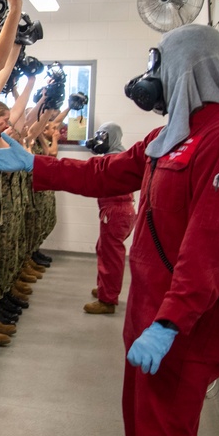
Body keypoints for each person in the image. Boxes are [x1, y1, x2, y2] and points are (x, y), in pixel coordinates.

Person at [0, 24, 219, 436]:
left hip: (181, 330)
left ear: (188, 70)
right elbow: (106, 172)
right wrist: (39, 169)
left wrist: (170, 323)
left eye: (161, 68)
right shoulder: (170, 135)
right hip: (148, 316)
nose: (153, 79)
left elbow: (207, 251)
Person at [84, 122, 137, 315]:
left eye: (103, 136)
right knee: (104, 249)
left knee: (111, 257)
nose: (99, 140)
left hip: (116, 212)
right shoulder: (117, 155)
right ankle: (105, 287)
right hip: (117, 211)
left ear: (112, 138)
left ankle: (107, 300)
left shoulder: (115, 159)